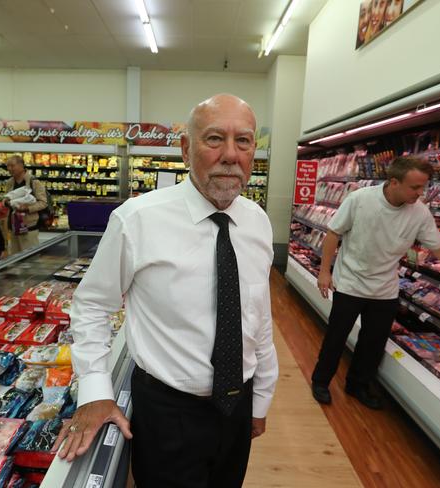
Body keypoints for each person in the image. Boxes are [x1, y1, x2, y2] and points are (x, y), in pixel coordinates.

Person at [53, 94, 278, 488]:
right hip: (167, 412)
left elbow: (258, 319)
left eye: (243, 141)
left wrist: (260, 399)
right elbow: (91, 305)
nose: (230, 155)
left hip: (237, 406)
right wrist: (94, 392)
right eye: (214, 139)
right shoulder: (137, 219)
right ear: (186, 148)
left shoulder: (257, 222)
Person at [312, 156, 440, 409]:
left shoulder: (419, 212)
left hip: (385, 288)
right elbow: (333, 233)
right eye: (415, 187)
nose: (421, 193)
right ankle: (321, 381)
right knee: (336, 336)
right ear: (394, 182)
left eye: (424, 187)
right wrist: (324, 272)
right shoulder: (360, 199)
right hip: (350, 281)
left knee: (373, 342)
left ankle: (357, 385)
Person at [3, 155, 48, 254]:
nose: (9, 169)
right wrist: (6, 202)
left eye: (12, 165)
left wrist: (28, 208)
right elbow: (6, 197)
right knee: (15, 260)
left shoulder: (34, 182)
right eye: (8, 166)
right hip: (14, 228)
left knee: (30, 260)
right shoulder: (10, 182)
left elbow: (43, 202)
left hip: (29, 229)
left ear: (21, 165)